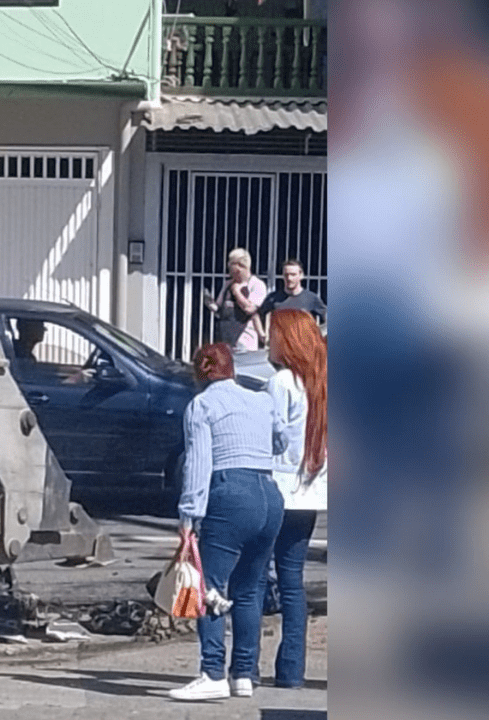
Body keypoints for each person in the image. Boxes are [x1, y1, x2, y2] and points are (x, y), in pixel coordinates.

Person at [169, 343, 287, 702]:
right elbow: (281, 440)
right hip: (269, 493)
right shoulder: (261, 400)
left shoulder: (201, 406)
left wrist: (189, 515)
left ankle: (211, 672)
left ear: (200, 374)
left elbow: (198, 464)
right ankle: (244, 674)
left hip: (229, 492)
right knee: (250, 590)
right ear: (232, 369)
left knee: (211, 587)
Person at [260, 309, 328, 689]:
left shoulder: (282, 382)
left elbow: (269, 437)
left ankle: (244, 667)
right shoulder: (322, 383)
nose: (268, 341)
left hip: (278, 490)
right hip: (310, 495)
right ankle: (291, 671)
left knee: (253, 580)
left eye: (273, 335)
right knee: (292, 582)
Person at [203, 248, 268, 351]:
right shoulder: (227, 284)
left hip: (244, 340)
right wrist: (209, 302)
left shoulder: (256, 285)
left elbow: (250, 309)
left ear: (240, 267)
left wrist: (237, 292)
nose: (230, 273)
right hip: (224, 339)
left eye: (232, 269)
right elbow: (219, 308)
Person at [258, 259, 327, 327]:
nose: (289, 278)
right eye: (286, 275)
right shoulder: (273, 298)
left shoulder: (311, 299)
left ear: (301, 275)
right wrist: (262, 334)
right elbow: (258, 316)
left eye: (293, 274)